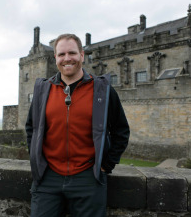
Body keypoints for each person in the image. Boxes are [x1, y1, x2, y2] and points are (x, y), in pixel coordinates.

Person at [25, 33, 130, 217]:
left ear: (82, 55)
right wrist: (37, 161)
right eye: (61, 54)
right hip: (48, 178)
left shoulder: (102, 90)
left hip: (87, 178)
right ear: (55, 58)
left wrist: (106, 164)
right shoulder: (43, 90)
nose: (67, 59)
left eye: (72, 53)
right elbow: (31, 129)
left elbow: (121, 130)